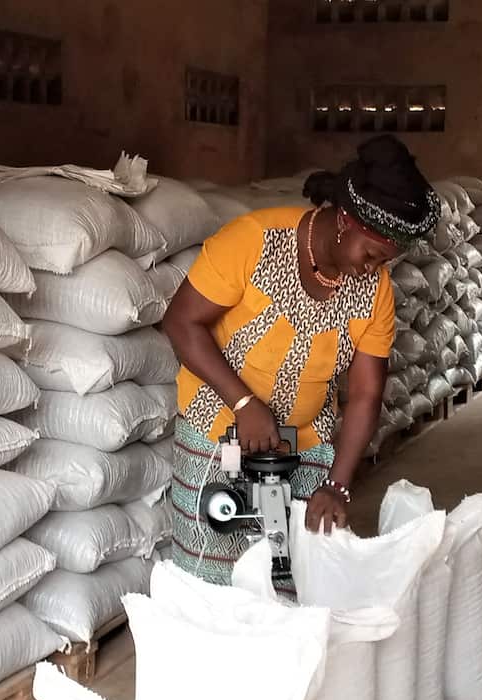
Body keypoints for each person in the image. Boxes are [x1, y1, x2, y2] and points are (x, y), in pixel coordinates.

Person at [162, 134, 441, 591]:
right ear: (345, 221)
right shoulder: (253, 241)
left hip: (305, 450)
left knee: (289, 584)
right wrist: (244, 404)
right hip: (219, 439)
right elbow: (181, 323)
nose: (372, 270)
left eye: (384, 262)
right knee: (212, 588)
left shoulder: (376, 292)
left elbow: (368, 393)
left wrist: (338, 484)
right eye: (370, 255)